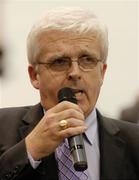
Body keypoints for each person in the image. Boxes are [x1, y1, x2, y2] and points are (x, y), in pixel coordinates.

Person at [0, 7, 139, 180]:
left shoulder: (135, 142)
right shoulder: (2, 129)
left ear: (102, 72)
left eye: (87, 59)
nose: (74, 72)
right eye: (59, 62)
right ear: (34, 75)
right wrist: (30, 150)